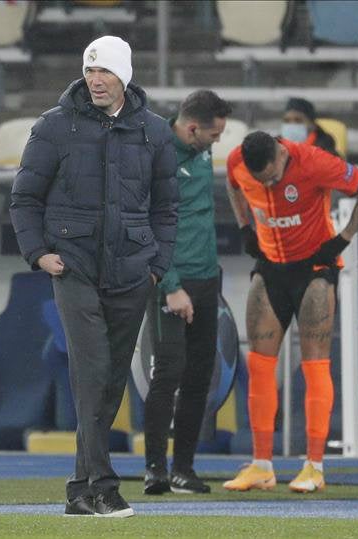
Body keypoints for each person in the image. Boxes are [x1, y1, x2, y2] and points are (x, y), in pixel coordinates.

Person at [10, 35, 177, 517]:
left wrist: (157, 266)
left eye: (104, 72)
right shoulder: (54, 127)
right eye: (89, 72)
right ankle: (104, 486)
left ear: (124, 75)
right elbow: (24, 197)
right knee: (93, 371)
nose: (96, 80)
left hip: (132, 271)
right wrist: (37, 253)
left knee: (109, 382)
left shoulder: (156, 131)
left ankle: (80, 490)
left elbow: (168, 208)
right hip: (74, 267)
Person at [223, 131, 358, 492]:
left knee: (314, 364)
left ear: (280, 154)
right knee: (259, 363)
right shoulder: (236, 162)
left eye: (274, 178)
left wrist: (343, 238)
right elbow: (233, 186)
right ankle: (262, 465)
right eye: (262, 182)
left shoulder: (314, 162)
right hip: (271, 267)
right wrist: (246, 226)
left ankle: (314, 466)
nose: (271, 184)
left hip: (313, 269)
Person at [142, 90, 232, 496]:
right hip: (170, 282)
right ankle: (155, 470)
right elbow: (147, 224)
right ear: (192, 128)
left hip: (207, 278)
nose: (216, 143)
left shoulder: (201, 149)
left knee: (199, 376)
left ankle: (183, 468)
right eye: (213, 136)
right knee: (168, 373)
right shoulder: (156, 152)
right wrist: (172, 285)